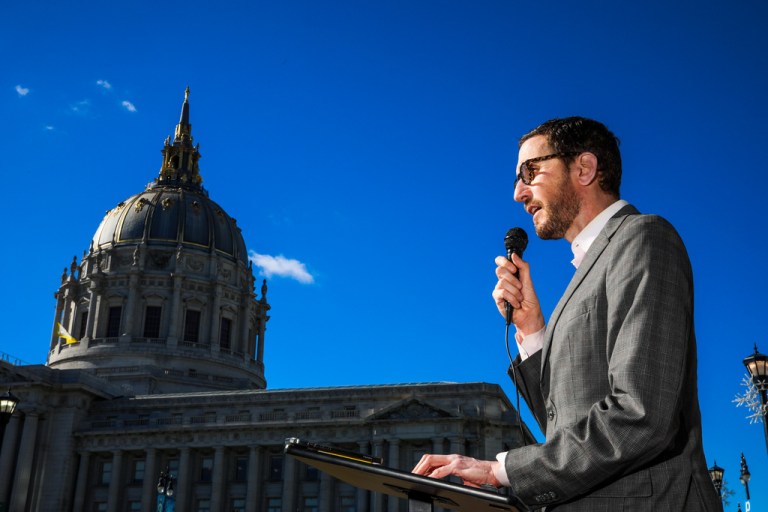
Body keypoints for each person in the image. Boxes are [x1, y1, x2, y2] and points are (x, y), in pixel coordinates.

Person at [413, 117, 722, 511]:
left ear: (584, 168)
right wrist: (535, 332)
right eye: (516, 179)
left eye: (530, 171)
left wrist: (501, 470)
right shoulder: (581, 280)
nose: (518, 193)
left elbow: (641, 416)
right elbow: (567, 429)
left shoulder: (643, 238)